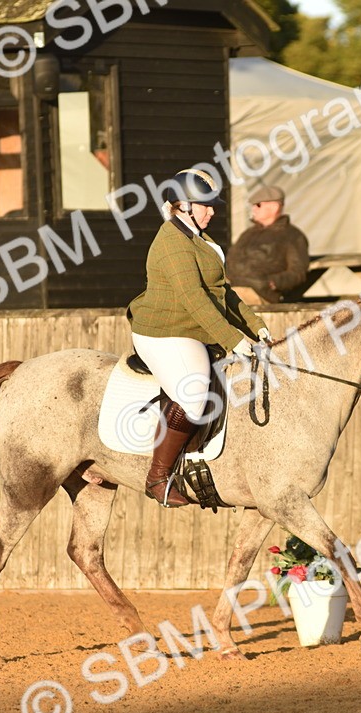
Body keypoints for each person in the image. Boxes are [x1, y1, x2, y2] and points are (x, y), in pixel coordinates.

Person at [126, 168, 269, 507]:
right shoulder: (172, 242)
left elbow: (222, 292)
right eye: (206, 205)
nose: (212, 211)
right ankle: (157, 477)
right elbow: (194, 298)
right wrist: (233, 339)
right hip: (165, 331)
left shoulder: (200, 239)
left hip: (191, 327)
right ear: (185, 206)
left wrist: (256, 326)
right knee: (193, 394)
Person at [225, 185, 311, 304]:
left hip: (259, 293)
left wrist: (272, 283)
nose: (253, 209)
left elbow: (297, 272)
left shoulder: (292, 236)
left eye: (258, 205)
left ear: (274, 207)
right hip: (230, 287)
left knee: (225, 302)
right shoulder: (247, 234)